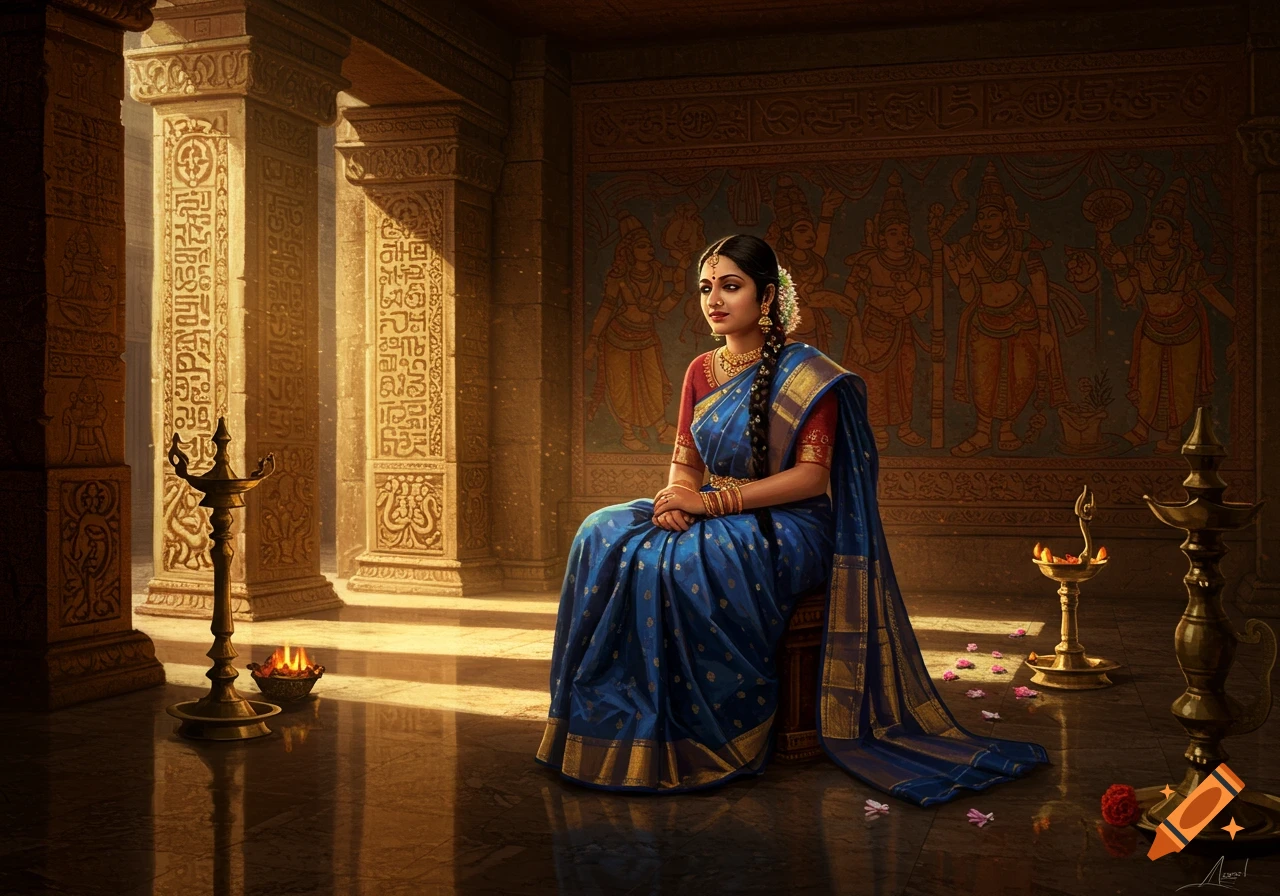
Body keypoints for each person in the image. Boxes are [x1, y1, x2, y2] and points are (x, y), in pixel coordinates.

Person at [536, 234, 1049, 805]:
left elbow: (810, 478)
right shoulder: (700, 370)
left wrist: (710, 504)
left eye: (731, 286)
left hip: (791, 521)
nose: (715, 299)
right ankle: (611, 724)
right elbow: (684, 461)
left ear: (768, 297)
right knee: (601, 530)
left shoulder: (809, 373)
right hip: (711, 505)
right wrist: (673, 498)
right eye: (707, 287)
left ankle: (710, 733)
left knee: (689, 562)